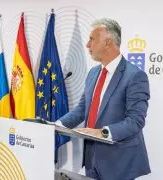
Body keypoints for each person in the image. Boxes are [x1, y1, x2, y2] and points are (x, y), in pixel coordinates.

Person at [57, 18, 151, 180]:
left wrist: (103, 132)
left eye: (92, 39)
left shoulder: (135, 76)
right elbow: (82, 108)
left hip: (119, 161)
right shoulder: (93, 73)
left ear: (107, 42)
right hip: (91, 158)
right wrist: (56, 125)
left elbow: (136, 121)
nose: (87, 45)